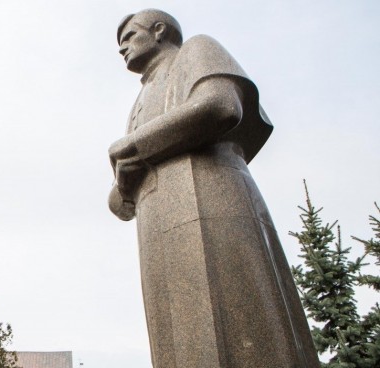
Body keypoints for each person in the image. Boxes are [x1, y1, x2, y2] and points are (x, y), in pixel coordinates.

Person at [108, 9, 319, 367]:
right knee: (172, 330)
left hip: (209, 193)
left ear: (159, 31)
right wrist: (123, 181)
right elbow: (121, 203)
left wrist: (131, 148)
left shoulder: (196, 50)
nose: (122, 48)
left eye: (129, 35)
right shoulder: (138, 103)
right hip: (155, 220)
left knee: (237, 309)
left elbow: (221, 105)